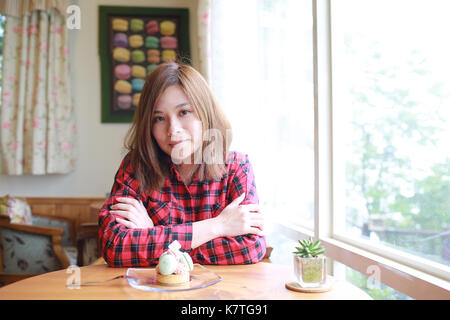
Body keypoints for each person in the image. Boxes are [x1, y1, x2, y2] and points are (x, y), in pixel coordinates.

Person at [98, 61, 266, 267]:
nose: (173, 129)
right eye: (159, 118)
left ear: (206, 113)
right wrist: (217, 226)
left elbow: (251, 248)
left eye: (184, 112)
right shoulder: (135, 167)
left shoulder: (236, 167)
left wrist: (154, 238)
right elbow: (114, 246)